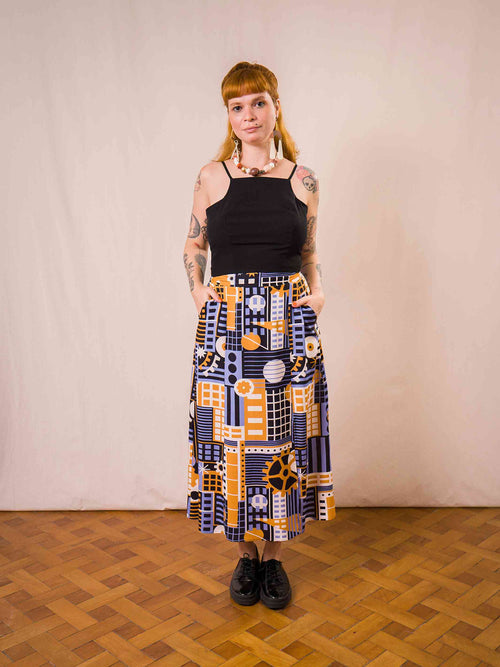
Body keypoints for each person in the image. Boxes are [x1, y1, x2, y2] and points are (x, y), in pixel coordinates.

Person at [183, 62, 336, 610]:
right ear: (228, 115)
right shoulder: (211, 177)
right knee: (231, 443)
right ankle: (245, 556)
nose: (248, 115)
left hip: (287, 326)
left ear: (275, 107)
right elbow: (193, 246)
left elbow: (309, 252)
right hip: (226, 330)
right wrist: (199, 292)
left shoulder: (304, 180)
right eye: (237, 106)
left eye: (258, 103)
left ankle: (273, 559)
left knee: (281, 442)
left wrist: (318, 293)